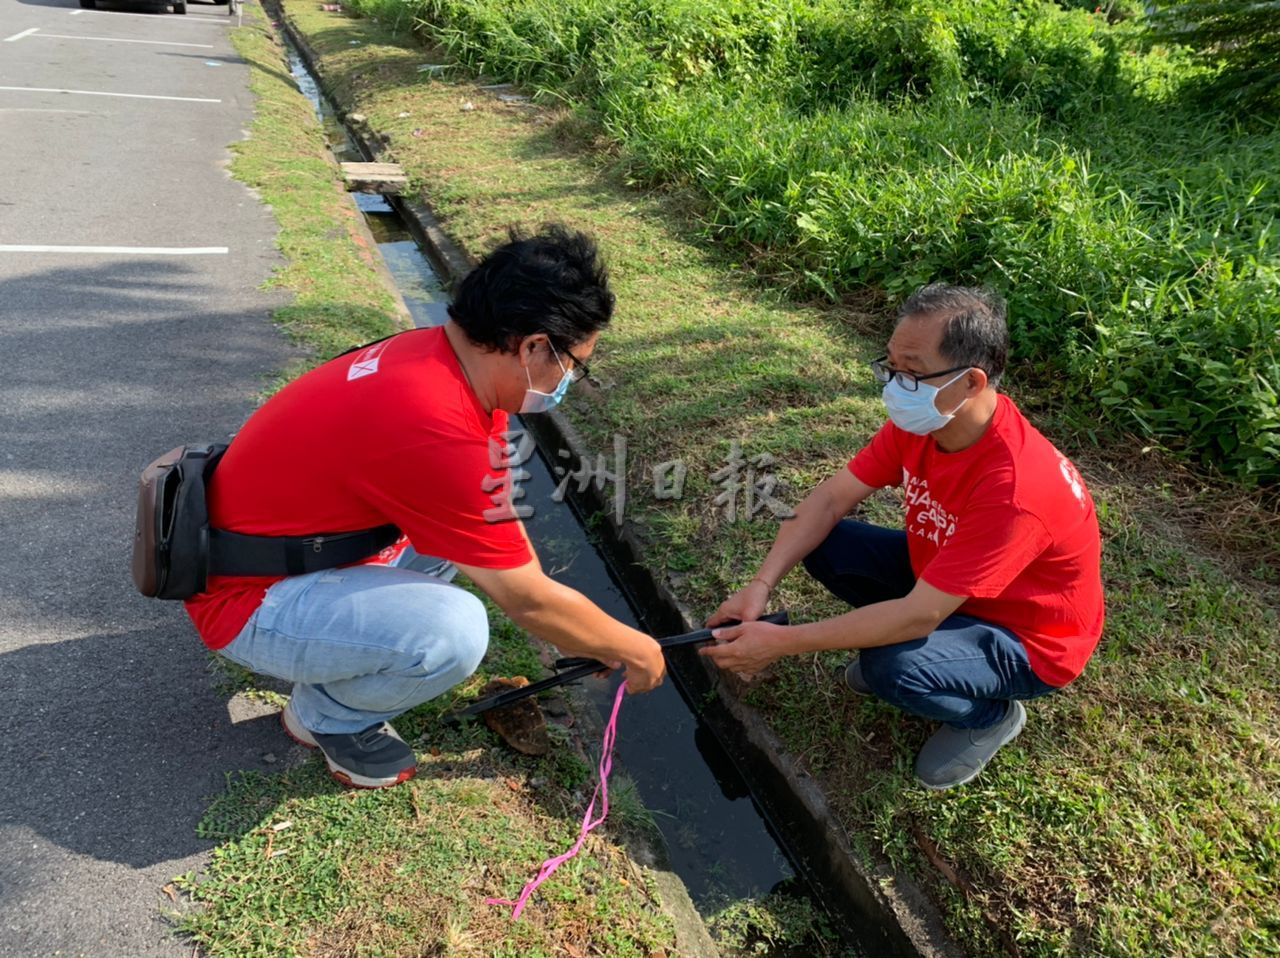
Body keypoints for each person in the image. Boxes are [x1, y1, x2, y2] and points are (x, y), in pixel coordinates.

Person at [185, 225, 665, 789]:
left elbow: (497, 529)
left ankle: (332, 669)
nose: (568, 384)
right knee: (453, 631)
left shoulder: (433, 358)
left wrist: (593, 633)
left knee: (464, 555)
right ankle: (327, 719)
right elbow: (528, 600)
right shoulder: (437, 424)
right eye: (574, 366)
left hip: (272, 552)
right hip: (245, 602)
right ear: (534, 346)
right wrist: (636, 648)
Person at [703, 284, 1104, 790]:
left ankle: (987, 719)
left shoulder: (1018, 487)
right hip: (945, 582)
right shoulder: (925, 425)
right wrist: (759, 587)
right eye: (890, 367)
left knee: (892, 667)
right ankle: (934, 657)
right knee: (828, 542)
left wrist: (781, 643)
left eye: (911, 372)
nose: (895, 385)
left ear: (970, 382)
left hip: (1027, 637)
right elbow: (829, 500)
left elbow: (920, 614)